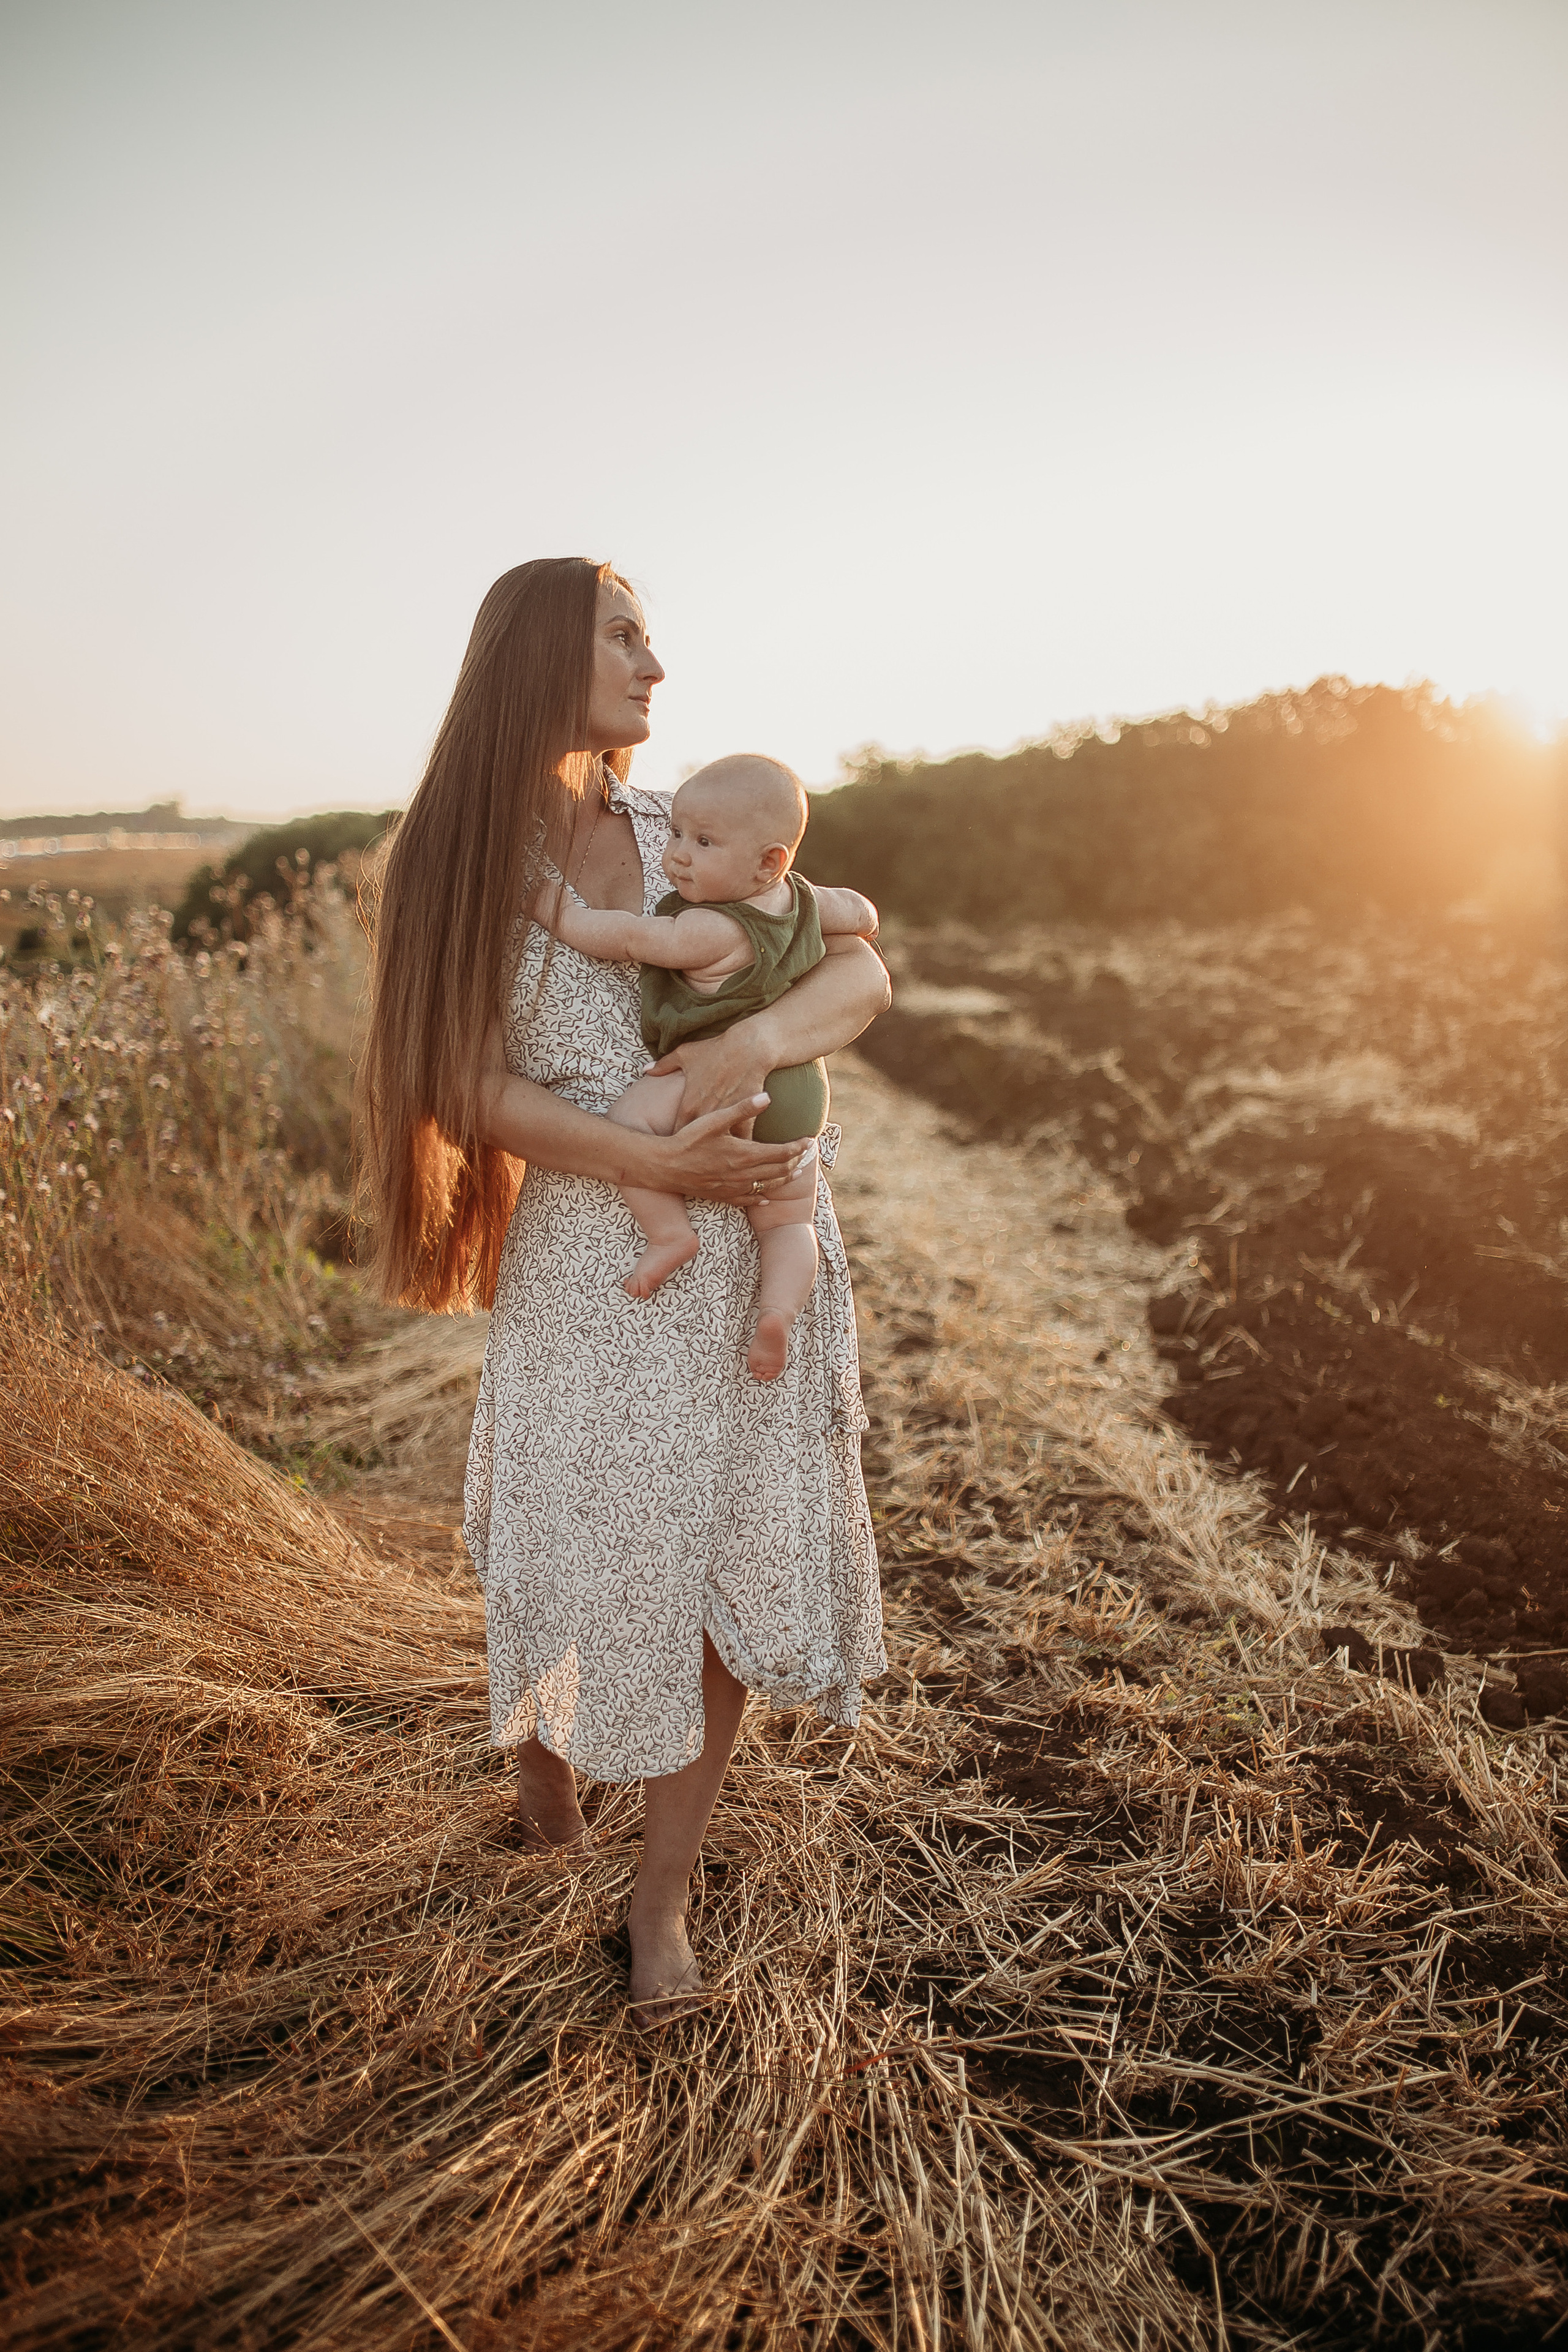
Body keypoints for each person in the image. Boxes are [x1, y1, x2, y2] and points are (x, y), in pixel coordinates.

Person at [358, 558, 889, 2024]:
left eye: (651, 636)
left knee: (708, 1560)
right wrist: (656, 1157)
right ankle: (544, 1794)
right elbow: (467, 1089)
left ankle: (657, 1899)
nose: (657, 663)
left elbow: (863, 980)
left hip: (753, 1249)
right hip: (603, 1259)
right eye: (625, 635)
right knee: (559, 1539)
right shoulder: (445, 867)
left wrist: (749, 1046)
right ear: (539, 657)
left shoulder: (686, 830)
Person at [530, 752, 880, 1380]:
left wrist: (551, 906)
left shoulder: (704, 931)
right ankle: (777, 1310)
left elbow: (615, 935)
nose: (679, 854)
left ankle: (669, 1234)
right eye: (675, 834)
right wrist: (845, 909)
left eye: (704, 841)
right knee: (788, 1219)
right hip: (799, 1095)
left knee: (632, 1120)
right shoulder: (799, 902)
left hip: (718, 1085)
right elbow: (860, 912)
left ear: (768, 860)